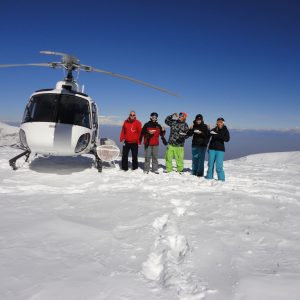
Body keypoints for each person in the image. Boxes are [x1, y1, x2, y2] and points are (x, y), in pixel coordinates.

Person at [206, 117, 230, 181]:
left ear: (223, 123)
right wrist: (208, 130)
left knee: (219, 166)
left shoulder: (225, 130)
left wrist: (218, 135)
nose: (219, 123)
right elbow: (208, 136)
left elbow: (227, 139)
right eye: (218, 122)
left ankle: (221, 179)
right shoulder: (214, 129)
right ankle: (209, 177)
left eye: (221, 122)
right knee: (210, 164)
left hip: (220, 150)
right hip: (211, 149)